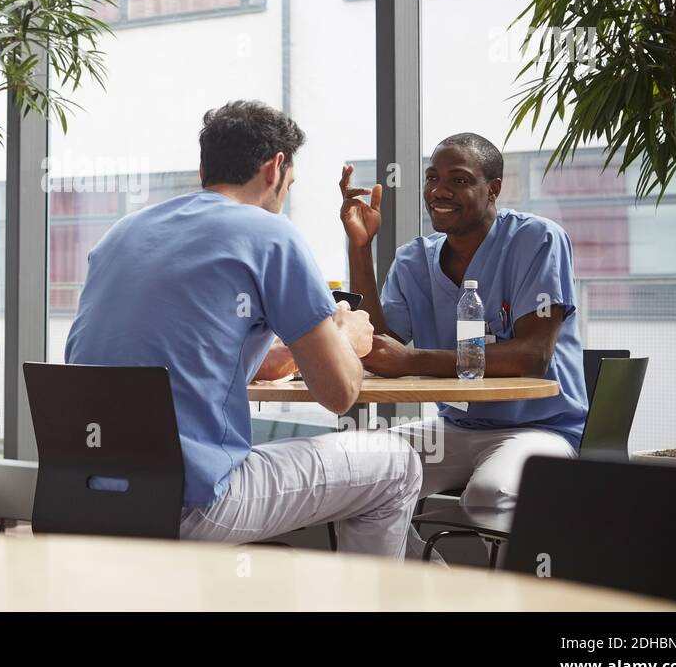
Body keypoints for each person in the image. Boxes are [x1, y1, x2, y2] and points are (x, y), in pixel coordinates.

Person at [65, 101, 421, 557]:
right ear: (275, 168)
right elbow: (340, 393)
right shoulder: (271, 234)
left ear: (202, 168)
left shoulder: (122, 232)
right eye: (289, 185)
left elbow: (189, 352)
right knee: (398, 463)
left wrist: (291, 353)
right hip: (192, 505)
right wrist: (347, 339)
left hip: (87, 495)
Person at [338, 132, 587, 561]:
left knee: (490, 495)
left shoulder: (538, 240)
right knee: (354, 480)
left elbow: (532, 356)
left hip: (540, 429)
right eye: (432, 178)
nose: (439, 191)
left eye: (459, 179)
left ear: (493, 188)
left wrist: (413, 360)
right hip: (456, 428)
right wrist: (361, 249)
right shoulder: (414, 259)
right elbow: (377, 347)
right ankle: (425, 596)